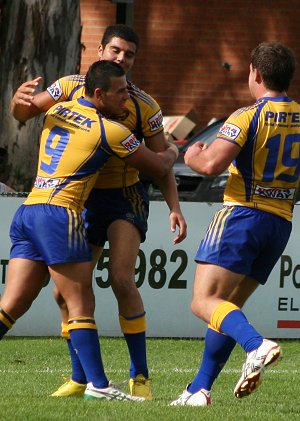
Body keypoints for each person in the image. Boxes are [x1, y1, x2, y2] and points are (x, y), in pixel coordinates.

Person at [10, 24, 187, 399]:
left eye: (129, 54)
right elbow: (23, 112)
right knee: (67, 295)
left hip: (123, 198)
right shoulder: (71, 88)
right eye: (116, 50)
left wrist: (174, 206)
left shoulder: (142, 104)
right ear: (101, 49)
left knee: (121, 279)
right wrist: (17, 101)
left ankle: (139, 378)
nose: (121, 57)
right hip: (77, 203)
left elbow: (158, 167)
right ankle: (83, 379)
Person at [170, 42, 300, 406]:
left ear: (255, 74)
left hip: (242, 215)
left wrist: (192, 153)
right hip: (280, 224)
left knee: (204, 301)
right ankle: (199, 389)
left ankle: (257, 346)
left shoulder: (247, 115)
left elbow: (211, 165)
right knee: (227, 308)